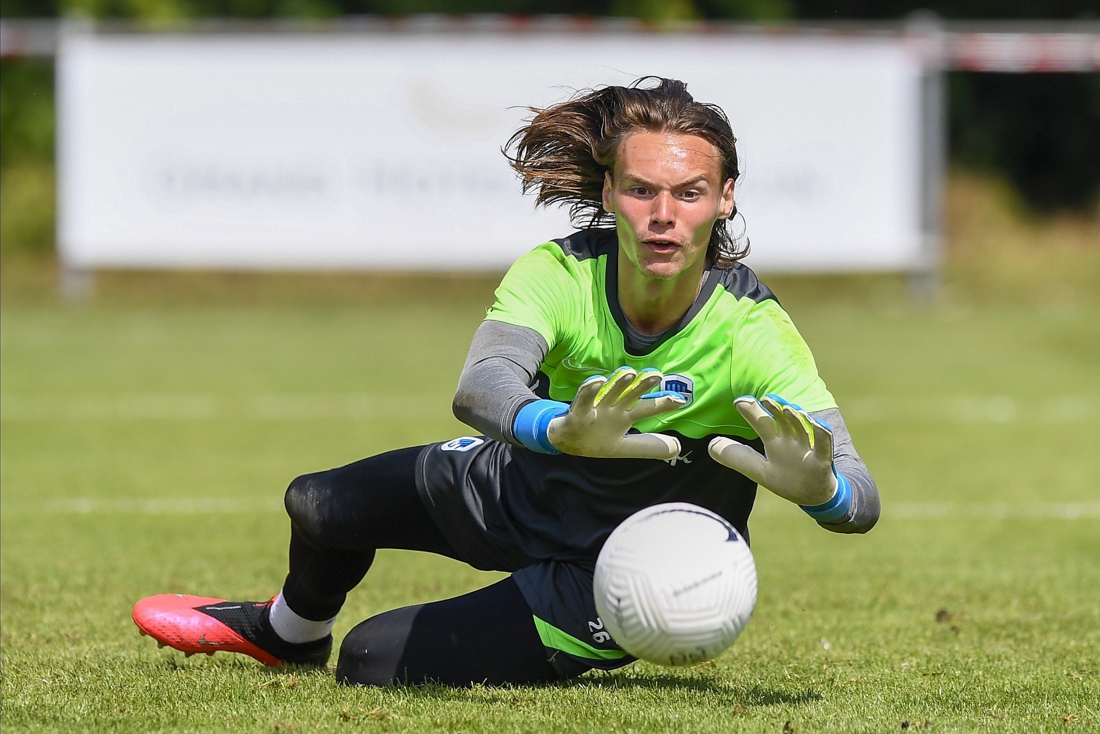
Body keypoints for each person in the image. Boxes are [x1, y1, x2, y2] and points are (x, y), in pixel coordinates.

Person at [132, 77, 880, 687]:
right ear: (610, 191)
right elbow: (482, 386)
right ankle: (289, 635)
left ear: (725, 198)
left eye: (688, 194)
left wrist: (825, 494)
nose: (662, 216)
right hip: (520, 487)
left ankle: (557, 631)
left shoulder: (753, 332)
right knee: (319, 504)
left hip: (614, 570)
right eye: (641, 191)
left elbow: (860, 498)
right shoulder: (558, 273)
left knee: (371, 659)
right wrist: (557, 430)